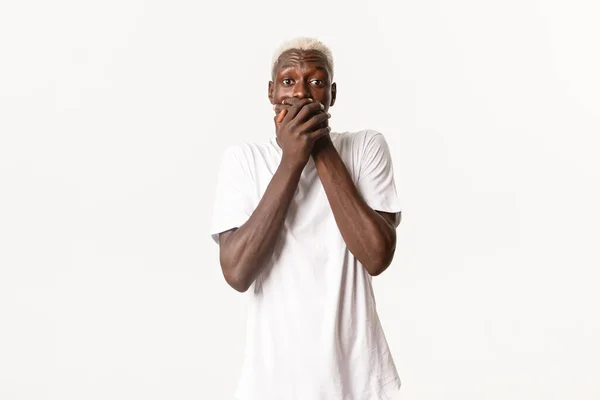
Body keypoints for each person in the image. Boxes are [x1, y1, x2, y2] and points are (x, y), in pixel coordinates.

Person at [210, 37, 403, 400]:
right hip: (272, 382)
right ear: (271, 92)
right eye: (288, 81)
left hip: (358, 380)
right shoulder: (243, 160)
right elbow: (236, 272)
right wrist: (292, 160)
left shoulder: (364, 148)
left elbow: (377, 257)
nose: (300, 93)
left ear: (331, 94)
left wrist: (319, 146)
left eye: (315, 82)